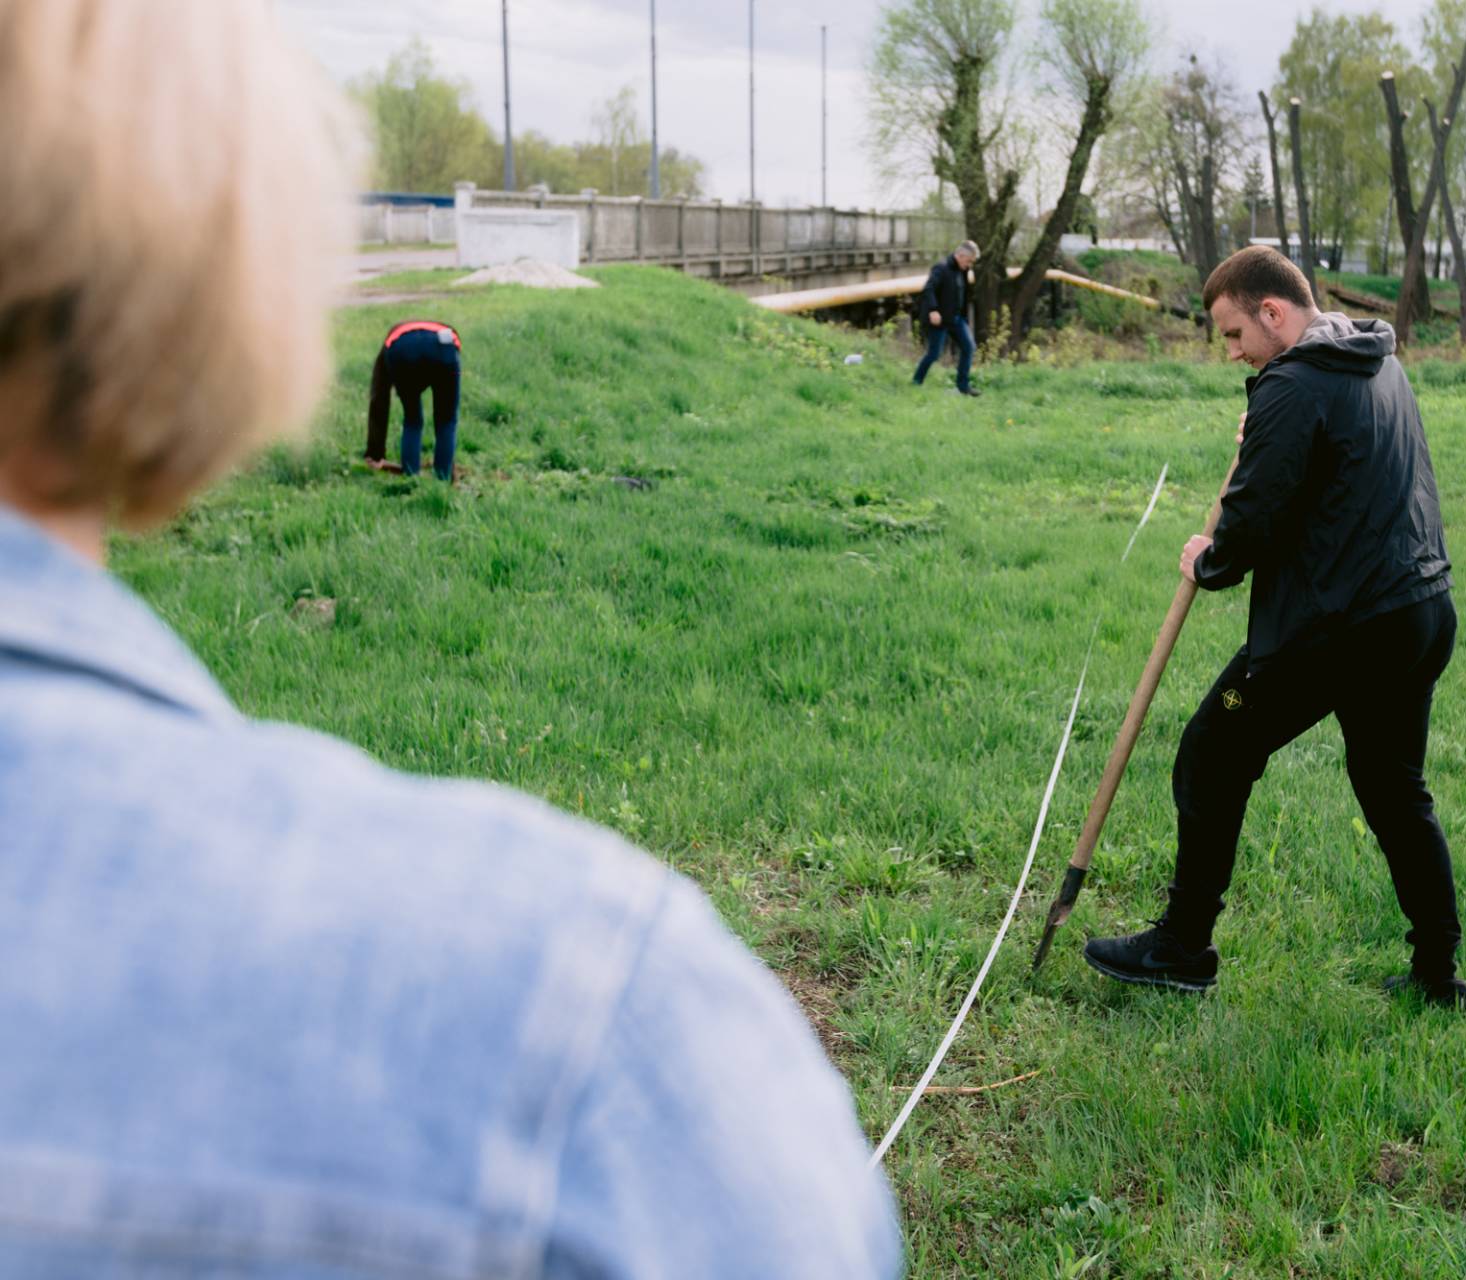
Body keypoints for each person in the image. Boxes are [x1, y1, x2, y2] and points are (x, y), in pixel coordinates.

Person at [0, 3, 900, 1275]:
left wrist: (384, 445)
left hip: (414, 369)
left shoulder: (395, 337)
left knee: (413, 436)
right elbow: (435, 394)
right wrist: (438, 462)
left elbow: (395, 383)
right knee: (430, 444)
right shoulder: (582, 1031)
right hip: (429, 377)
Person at [1083, 246, 1466, 1010]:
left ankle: (1182, 947)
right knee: (1395, 792)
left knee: (1211, 752)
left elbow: (1255, 520)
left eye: (1234, 335)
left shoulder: (1291, 383)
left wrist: (1208, 559)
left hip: (1343, 627)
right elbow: (1328, 481)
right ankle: (1438, 974)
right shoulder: (1375, 360)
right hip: (1420, 611)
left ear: (1274, 311)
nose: (1233, 355)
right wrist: (1265, 435)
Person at [366, 318, 462, 480]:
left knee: (412, 420)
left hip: (402, 352)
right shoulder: (448, 331)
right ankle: (443, 478)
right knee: (446, 420)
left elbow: (379, 397)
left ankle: (411, 478)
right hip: (444, 348)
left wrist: (375, 453)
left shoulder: (392, 342)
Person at [912, 240, 980, 396]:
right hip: (940, 319)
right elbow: (928, 289)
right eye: (969, 261)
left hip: (956, 319)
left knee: (969, 347)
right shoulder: (941, 268)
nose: (970, 265)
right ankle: (916, 382)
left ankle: (963, 387)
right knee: (934, 354)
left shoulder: (962, 270)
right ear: (961, 255)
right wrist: (933, 310)